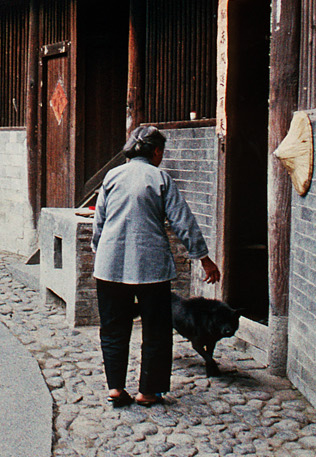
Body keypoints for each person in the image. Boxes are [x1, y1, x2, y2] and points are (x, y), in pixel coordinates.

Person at [91, 123, 221, 407]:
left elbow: (98, 224)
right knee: (157, 330)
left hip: (109, 267)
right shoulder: (160, 178)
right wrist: (204, 258)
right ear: (157, 151)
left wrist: (99, 252)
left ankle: (115, 388)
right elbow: (183, 221)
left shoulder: (112, 176)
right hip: (150, 268)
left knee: (113, 329)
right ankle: (148, 392)